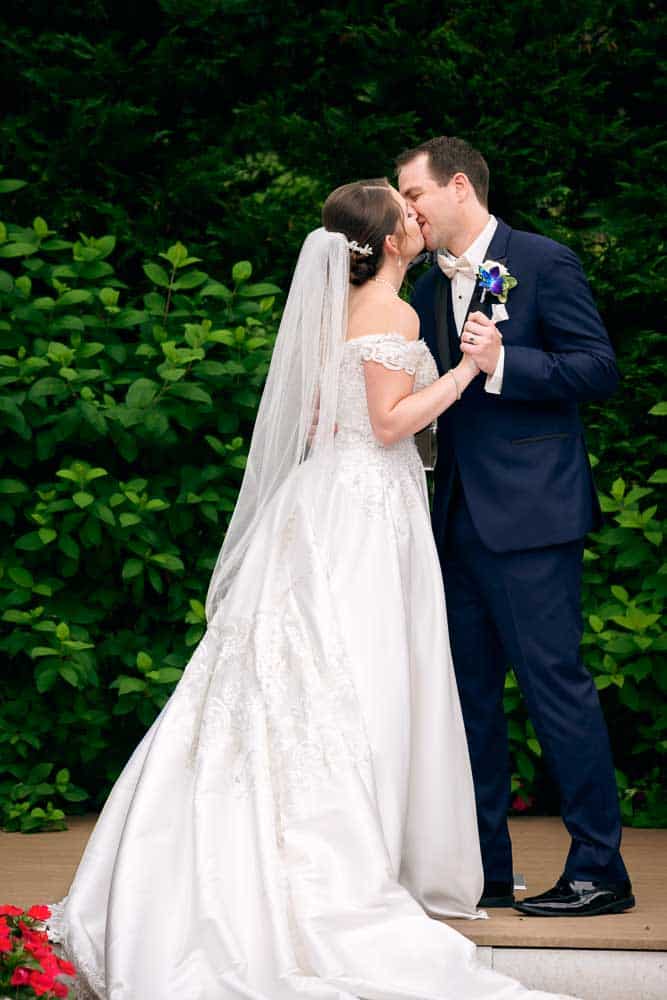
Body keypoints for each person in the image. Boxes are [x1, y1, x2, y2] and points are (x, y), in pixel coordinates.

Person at [46, 179, 578, 1000]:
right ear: (388, 241)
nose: (417, 216)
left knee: (293, 674)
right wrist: (470, 369)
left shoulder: (333, 311)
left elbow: (324, 422)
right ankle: (333, 857)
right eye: (405, 213)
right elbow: (392, 424)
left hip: (325, 501)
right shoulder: (394, 316)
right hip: (362, 511)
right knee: (352, 674)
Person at [397, 136, 633, 917]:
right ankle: (484, 871)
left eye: (414, 195)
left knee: (555, 691)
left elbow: (596, 369)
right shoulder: (430, 288)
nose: (408, 211)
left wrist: (507, 362)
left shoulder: (543, 259)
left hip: (532, 519)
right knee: (465, 703)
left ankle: (600, 870)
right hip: (455, 519)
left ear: (457, 186)